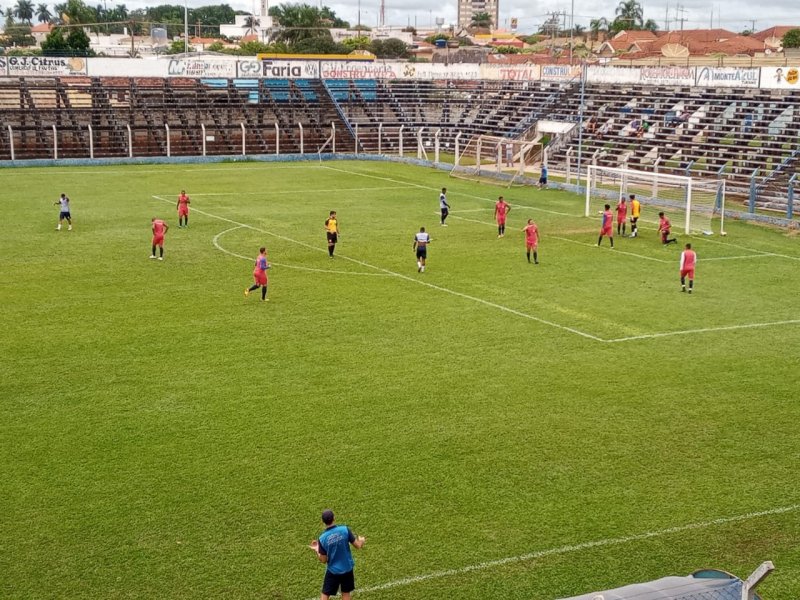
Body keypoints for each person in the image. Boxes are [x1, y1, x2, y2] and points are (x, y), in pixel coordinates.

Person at [309, 509, 365, 600]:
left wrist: (317, 550)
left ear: (323, 521)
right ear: (334, 518)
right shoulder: (345, 530)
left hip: (333, 571)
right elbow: (358, 545)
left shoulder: (322, 538)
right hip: (347, 568)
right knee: (346, 593)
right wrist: (361, 540)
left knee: (325, 594)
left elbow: (323, 560)